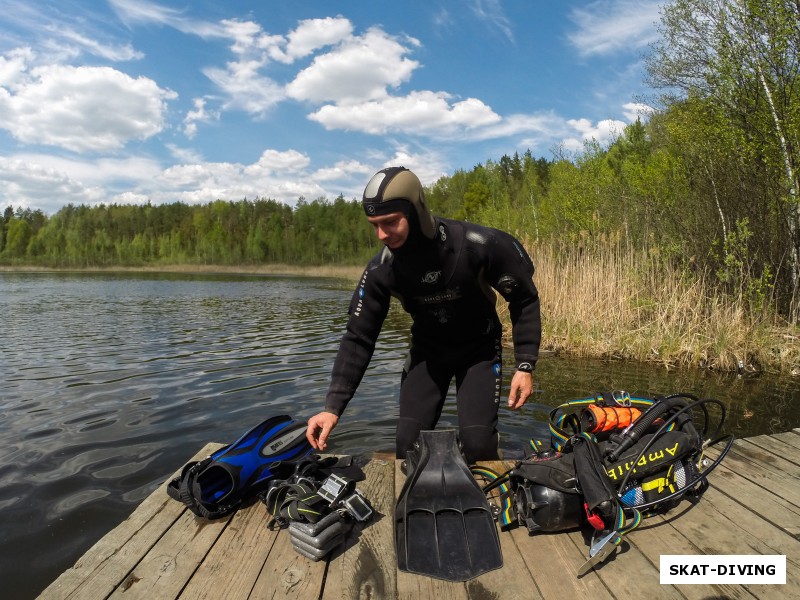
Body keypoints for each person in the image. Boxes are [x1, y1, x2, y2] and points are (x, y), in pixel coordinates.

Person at [305, 166, 541, 462]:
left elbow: (524, 298)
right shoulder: (382, 269)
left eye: (390, 222)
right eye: (374, 225)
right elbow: (358, 338)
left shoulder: (477, 245)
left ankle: (487, 465)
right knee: (407, 447)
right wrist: (332, 407)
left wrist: (525, 364)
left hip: (479, 352)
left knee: (478, 446)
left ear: (416, 210)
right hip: (428, 355)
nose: (381, 235)